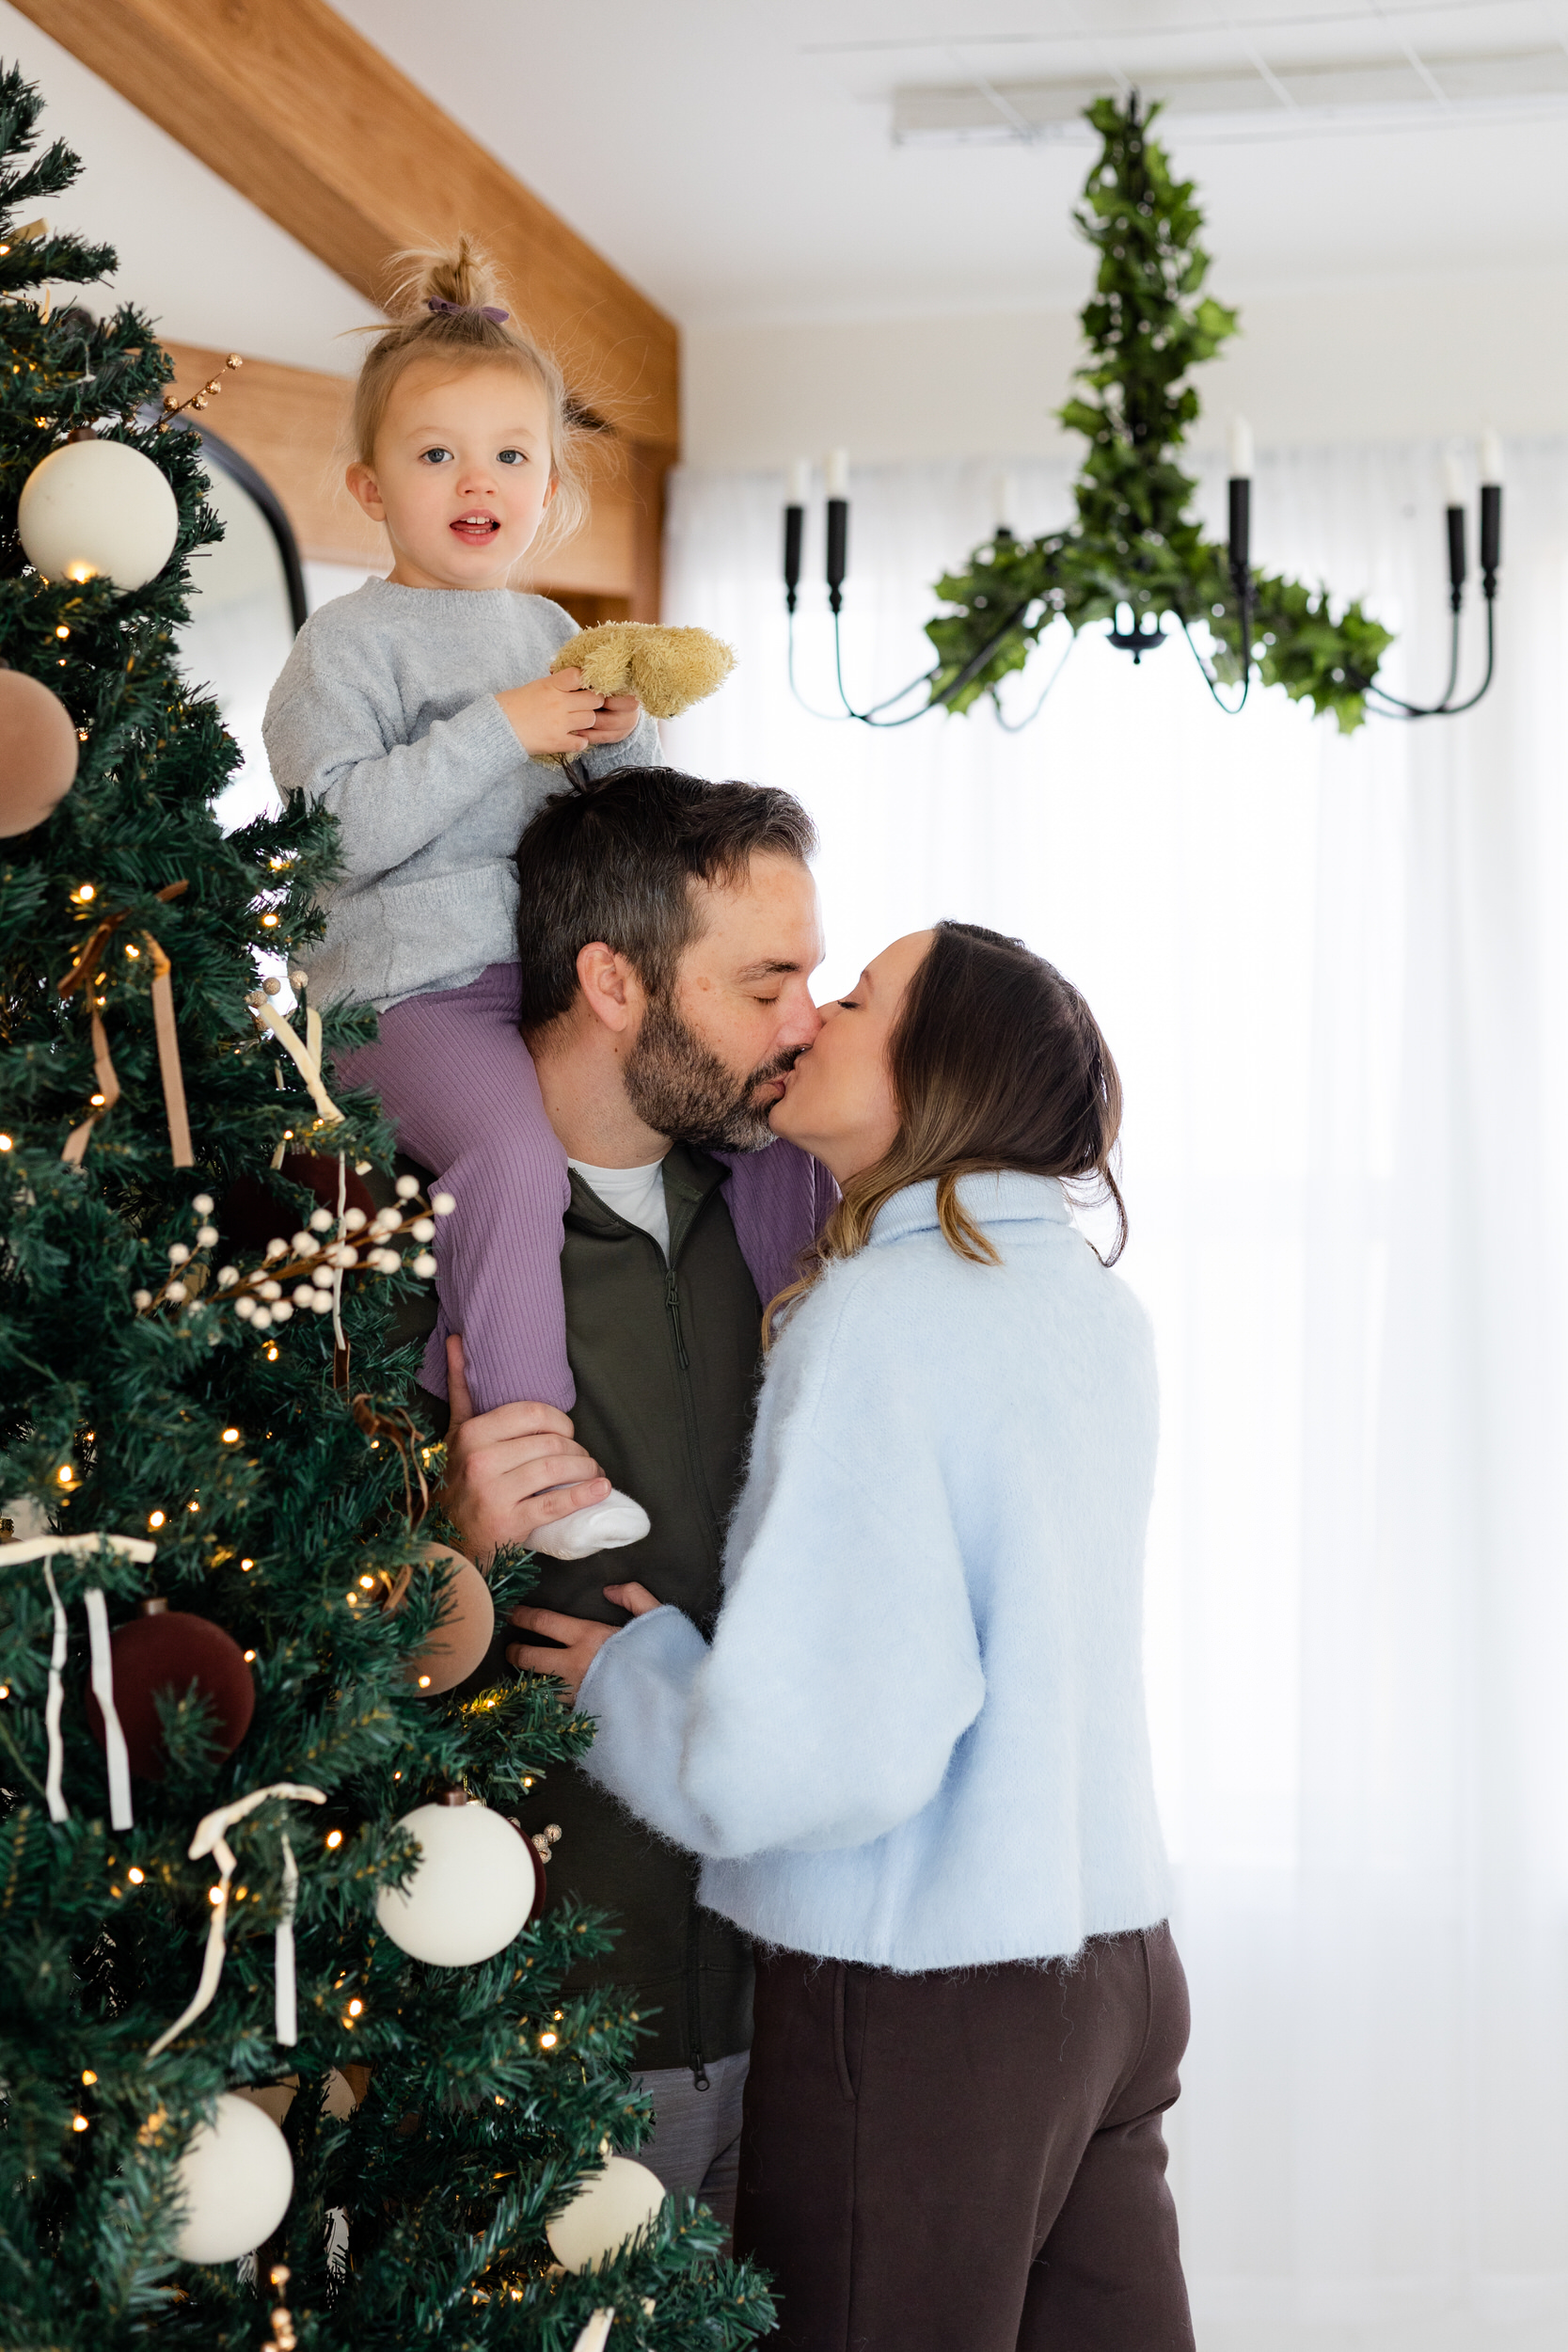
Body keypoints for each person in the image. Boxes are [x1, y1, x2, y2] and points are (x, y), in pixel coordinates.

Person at [509, 922, 1196, 2352]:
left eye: (857, 999)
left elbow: (813, 1762)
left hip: (928, 2006)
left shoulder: (883, 1317)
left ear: (934, 1070)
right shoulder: (1090, 1306)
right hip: (1117, 1969)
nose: (809, 1018)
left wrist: (633, 1683)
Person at [432, 766, 837, 2230]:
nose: (806, 1023)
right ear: (613, 980)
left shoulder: (787, 1221)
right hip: (538, 2023)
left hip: (792, 2009)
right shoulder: (392, 1236)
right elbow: (268, 1642)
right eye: (766, 983)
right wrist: (455, 1549)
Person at [262, 237, 660, 1561]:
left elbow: (626, 830)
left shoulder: (553, 635)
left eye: (510, 454)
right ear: (374, 488)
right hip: (403, 992)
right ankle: (535, 1465)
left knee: (706, 1124)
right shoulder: (346, 645)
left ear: (548, 489)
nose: (476, 480)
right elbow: (333, 840)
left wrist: (625, 735)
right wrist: (502, 728)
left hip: (540, 981)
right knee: (507, 1156)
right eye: (437, 456)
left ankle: (470, 1371)